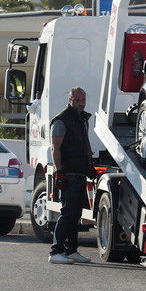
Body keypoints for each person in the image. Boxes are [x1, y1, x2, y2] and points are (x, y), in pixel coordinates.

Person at [48, 87, 98, 264]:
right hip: (68, 174)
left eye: (83, 100)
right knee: (67, 212)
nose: (81, 103)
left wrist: (89, 167)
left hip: (80, 173)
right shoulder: (62, 120)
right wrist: (59, 172)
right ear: (70, 100)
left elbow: (83, 145)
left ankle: (71, 250)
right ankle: (55, 252)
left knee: (75, 213)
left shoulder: (81, 119)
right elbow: (55, 148)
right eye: (78, 100)